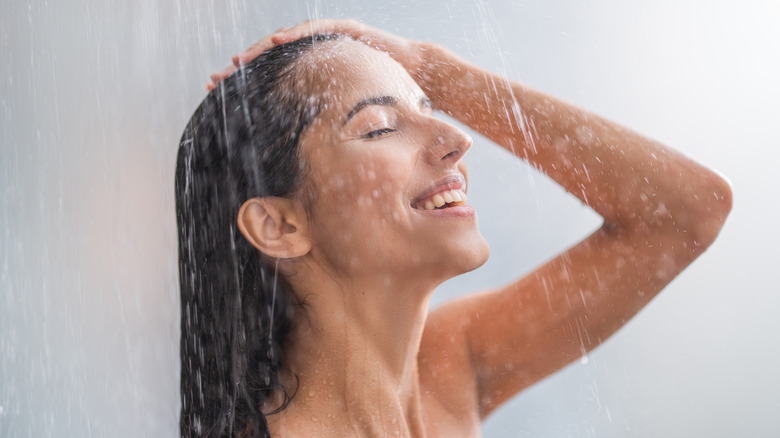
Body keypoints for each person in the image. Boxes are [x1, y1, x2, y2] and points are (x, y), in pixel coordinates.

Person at [176, 19, 732, 438]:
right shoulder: (454, 370)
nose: (458, 138)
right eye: (378, 128)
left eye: (429, 105)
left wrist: (434, 68)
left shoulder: (446, 370)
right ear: (278, 225)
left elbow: (685, 214)